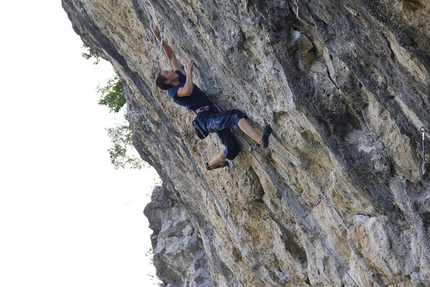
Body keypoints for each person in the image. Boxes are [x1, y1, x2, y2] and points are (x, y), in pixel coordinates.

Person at [150, 23, 272, 170]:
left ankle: (211, 165)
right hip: (206, 119)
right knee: (234, 115)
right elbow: (187, 91)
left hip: (213, 112)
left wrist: (159, 39)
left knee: (233, 148)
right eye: (167, 72)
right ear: (168, 81)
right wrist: (189, 71)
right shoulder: (173, 92)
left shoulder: (178, 77)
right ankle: (260, 139)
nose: (170, 69)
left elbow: (171, 56)